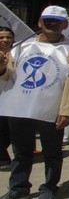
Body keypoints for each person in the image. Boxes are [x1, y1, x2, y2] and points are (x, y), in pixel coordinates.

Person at [0, 5, 69, 199]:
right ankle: (18, 188)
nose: (51, 24)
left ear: (65, 25)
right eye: (47, 20)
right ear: (40, 22)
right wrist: (1, 67)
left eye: (56, 22)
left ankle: (49, 187)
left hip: (52, 112)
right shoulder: (21, 46)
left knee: (52, 153)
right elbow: (7, 75)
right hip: (20, 109)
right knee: (21, 152)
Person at [0, 27, 14, 172]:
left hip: (10, 98)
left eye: (8, 37)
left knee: (7, 131)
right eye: (1, 37)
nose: (5, 40)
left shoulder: (18, 54)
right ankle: (3, 158)